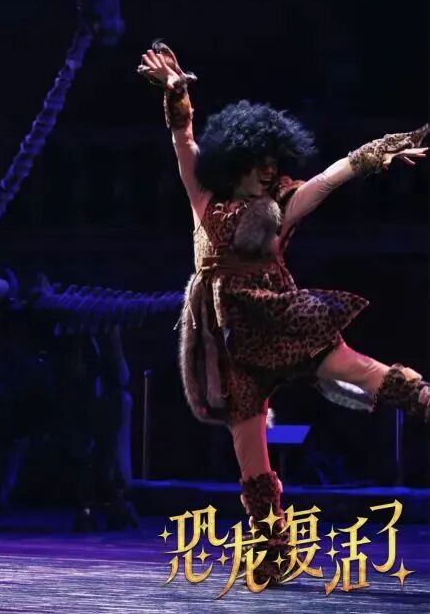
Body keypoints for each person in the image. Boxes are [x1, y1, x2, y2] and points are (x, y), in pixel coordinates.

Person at [138, 41, 429, 587]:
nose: (270, 172)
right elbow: (184, 142)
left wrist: (382, 151)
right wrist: (177, 94)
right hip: (230, 338)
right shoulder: (206, 199)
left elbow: (331, 177)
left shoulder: (280, 206)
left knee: (356, 369)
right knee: (249, 450)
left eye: (274, 165)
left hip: (280, 318)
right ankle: (274, 550)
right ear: (238, 164)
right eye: (260, 164)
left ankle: (424, 399)